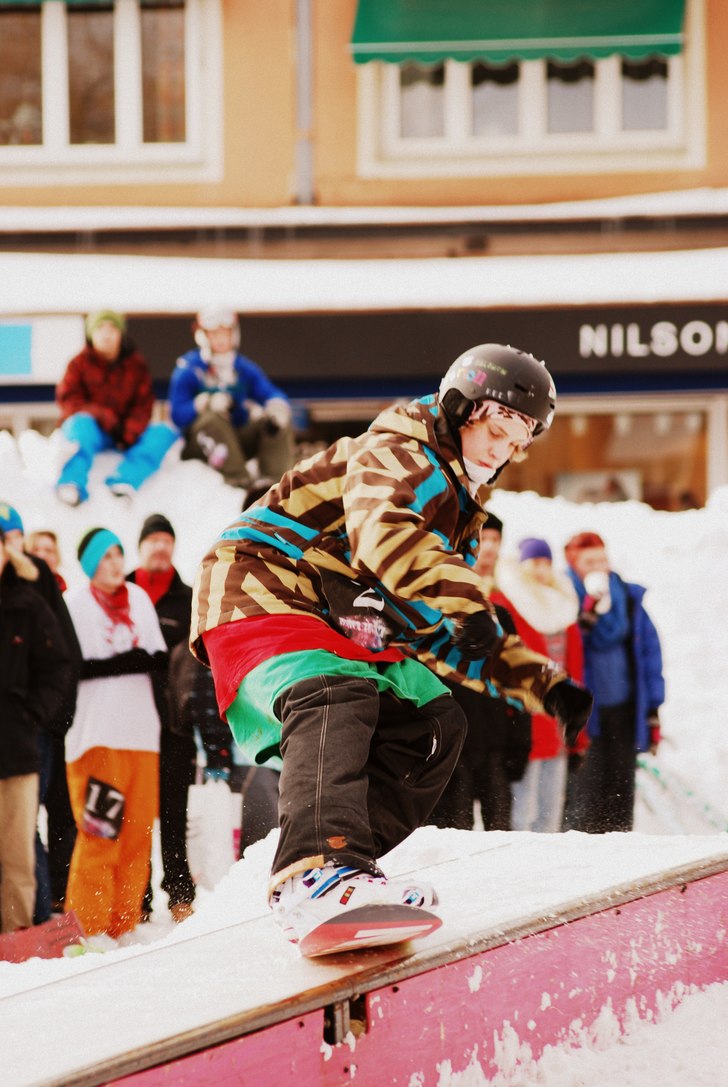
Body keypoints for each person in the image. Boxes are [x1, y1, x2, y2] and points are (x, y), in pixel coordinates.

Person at [190, 342, 592, 948]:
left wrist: (539, 683)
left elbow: (436, 627)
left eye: (516, 443)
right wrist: (466, 600)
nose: (501, 452)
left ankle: (345, 861)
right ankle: (313, 871)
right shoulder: (398, 449)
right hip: (262, 582)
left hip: (339, 613)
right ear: (461, 408)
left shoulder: (456, 513)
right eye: (496, 430)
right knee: (335, 691)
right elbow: (385, 534)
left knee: (433, 723)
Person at [63, 527, 167, 939]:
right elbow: (69, 667)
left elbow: (158, 655)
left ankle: (124, 926)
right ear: (91, 563)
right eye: (106, 556)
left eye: (119, 554)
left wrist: (140, 661)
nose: (116, 563)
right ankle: (88, 930)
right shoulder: (74, 603)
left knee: (138, 836)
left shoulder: (138, 598)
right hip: (97, 736)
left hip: (142, 734)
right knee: (100, 835)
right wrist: (120, 663)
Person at [0, 501, 80, 920]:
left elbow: (62, 659)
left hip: (24, 739)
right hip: (31, 733)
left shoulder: (32, 594)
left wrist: (39, 715)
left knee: (22, 839)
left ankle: (32, 925)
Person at [429, 512, 532, 832]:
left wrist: (520, 742)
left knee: (500, 835)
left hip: (494, 746)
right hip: (451, 748)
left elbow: (517, 682)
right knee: (454, 837)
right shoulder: (431, 616)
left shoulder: (500, 615)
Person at [562, 531, 665, 834]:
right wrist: (583, 621)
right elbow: (562, 653)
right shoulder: (564, 598)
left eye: (602, 559)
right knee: (586, 793)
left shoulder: (628, 599)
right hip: (586, 716)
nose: (598, 567)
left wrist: (653, 709)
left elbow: (649, 654)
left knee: (620, 788)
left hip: (625, 709)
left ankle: (622, 845)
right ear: (573, 564)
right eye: (589, 561)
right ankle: (585, 850)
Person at [127, 513, 197, 924]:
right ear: (141, 546)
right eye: (153, 539)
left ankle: (180, 894)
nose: (160, 547)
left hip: (175, 723)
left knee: (174, 814)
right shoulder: (123, 591)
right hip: (130, 723)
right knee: (135, 815)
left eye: (166, 540)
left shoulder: (186, 597)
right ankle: (138, 897)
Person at [495, 537, 586, 833]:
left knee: (551, 808)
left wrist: (578, 733)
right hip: (525, 721)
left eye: (547, 562)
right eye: (534, 562)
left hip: (557, 721)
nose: (541, 569)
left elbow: (575, 669)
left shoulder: (562, 605)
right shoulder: (508, 603)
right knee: (523, 809)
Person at [55, 310, 178, 506]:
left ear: (120, 333)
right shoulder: (78, 365)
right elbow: (69, 401)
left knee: (163, 432)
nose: (106, 334)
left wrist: (128, 432)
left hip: (126, 434)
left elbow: (143, 405)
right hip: (93, 430)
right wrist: (105, 418)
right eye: (100, 328)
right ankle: (72, 482)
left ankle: (125, 480)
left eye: (112, 328)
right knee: (79, 425)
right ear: (91, 334)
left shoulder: (136, 366)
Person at [168, 306, 296, 491]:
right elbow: (177, 415)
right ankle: (239, 482)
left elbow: (270, 393)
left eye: (225, 333)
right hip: (201, 444)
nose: (220, 339)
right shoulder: (190, 368)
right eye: (214, 334)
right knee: (212, 420)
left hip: (237, 437)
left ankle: (276, 484)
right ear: (203, 336)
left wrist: (277, 409)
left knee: (274, 421)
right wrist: (204, 403)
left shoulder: (242, 368)